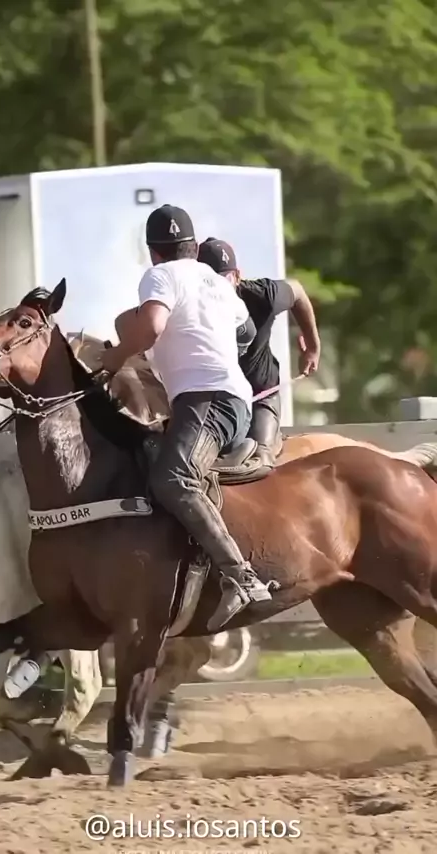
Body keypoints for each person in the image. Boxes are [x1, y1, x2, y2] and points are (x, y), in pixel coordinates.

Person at [101, 204, 276, 632]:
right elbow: (246, 334)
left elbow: (151, 327)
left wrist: (115, 357)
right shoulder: (216, 282)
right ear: (194, 247)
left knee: (172, 478)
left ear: (153, 252)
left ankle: (240, 577)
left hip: (207, 402)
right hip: (229, 400)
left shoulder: (159, 276)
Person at [197, 237, 321, 467]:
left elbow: (297, 291)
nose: (219, 290)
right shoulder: (188, 305)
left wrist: (313, 347)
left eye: (224, 280)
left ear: (237, 276)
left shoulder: (262, 295)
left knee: (258, 461)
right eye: (211, 282)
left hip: (260, 396)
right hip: (213, 402)